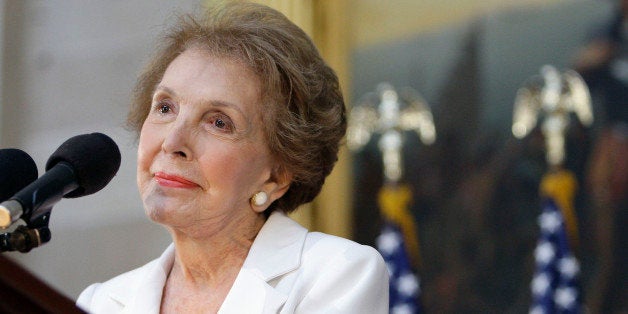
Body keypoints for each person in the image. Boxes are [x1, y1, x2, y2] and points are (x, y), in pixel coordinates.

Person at [76, 2, 389, 313]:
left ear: (276, 176)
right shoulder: (101, 302)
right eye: (165, 107)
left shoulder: (336, 274)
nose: (172, 142)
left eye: (219, 122)